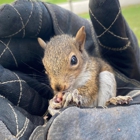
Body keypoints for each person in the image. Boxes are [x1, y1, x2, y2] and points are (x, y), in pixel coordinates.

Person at [0, 0, 140, 139]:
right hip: (79, 116)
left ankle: (109, 105)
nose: (58, 84)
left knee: (106, 75)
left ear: (80, 45)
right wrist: (55, 103)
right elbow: (60, 97)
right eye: (48, 72)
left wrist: (77, 95)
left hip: (99, 98)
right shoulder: (58, 84)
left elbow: (89, 95)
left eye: (72, 61)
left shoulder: (88, 70)